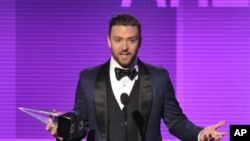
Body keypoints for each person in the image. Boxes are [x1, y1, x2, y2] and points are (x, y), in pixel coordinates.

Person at [46, 13, 226, 141]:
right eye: (118, 40)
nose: (124, 47)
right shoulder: (88, 77)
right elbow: (82, 126)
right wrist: (64, 133)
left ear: (140, 41)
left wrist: (200, 134)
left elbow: (176, 122)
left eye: (131, 40)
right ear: (108, 40)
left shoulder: (159, 77)